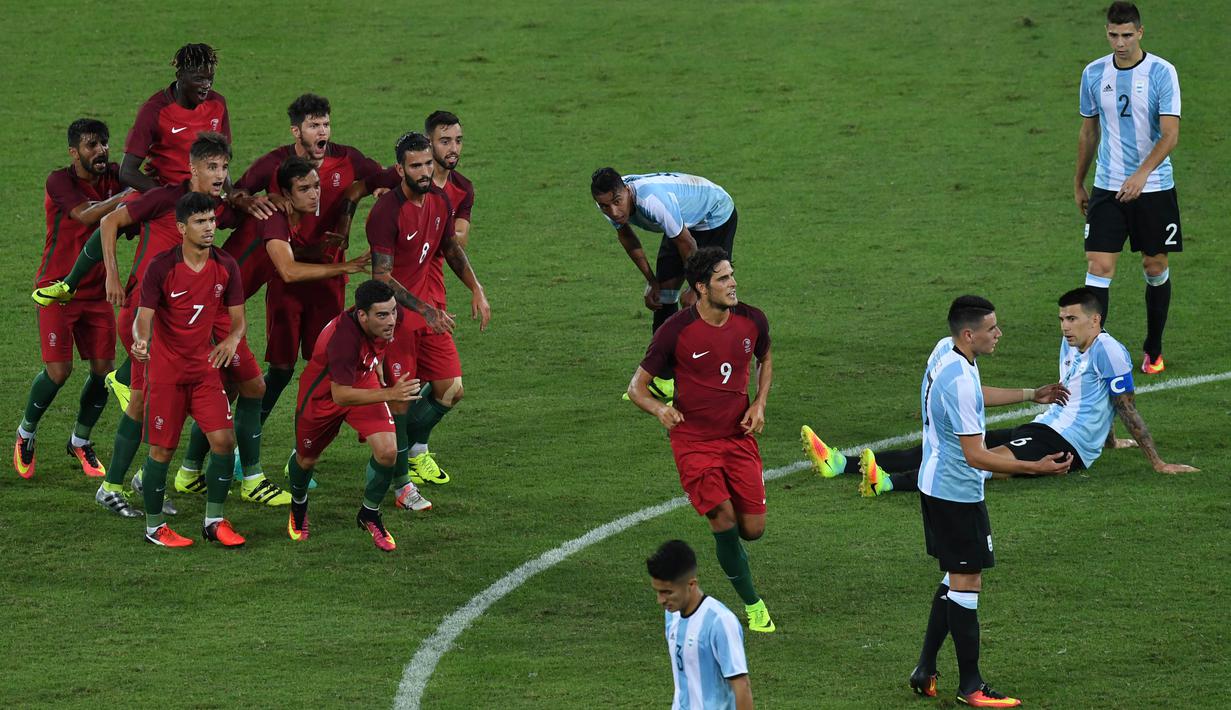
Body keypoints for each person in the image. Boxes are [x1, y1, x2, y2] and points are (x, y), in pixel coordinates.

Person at [802, 288, 1198, 496]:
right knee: (943, 446)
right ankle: (842, 463)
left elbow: (1124, 407)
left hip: (1066, 444)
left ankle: (887, 483)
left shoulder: (1109, 351)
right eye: (1062, 318)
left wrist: (1157, 462)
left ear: (1096, 320)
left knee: (983, 462)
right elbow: (1091, 399)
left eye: (1073, 319)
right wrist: (1109, 442)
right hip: (1046, 426)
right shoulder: (1071, 343)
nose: (1065, 326)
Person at [901, 296, 1073, 706]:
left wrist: (1032, 394)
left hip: (937, 482)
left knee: (955, 578)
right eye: (991, 329)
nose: (998, 334)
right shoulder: (957, 379)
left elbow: (973, 394)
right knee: (967, 582)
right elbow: (976, 455)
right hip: (954, 492)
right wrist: (1036, 467)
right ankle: (971, 686)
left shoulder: (946, 351)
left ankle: (925, 669)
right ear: (968, 334)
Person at [628, 247, 775, 634]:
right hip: (693, 441)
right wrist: (660, 410)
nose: (733, 283)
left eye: (732, 275)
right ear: (701, 288)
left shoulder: (751, 320)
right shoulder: (676, 331)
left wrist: (759, 402)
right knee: (722, 517)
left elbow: (766, 356)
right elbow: (636, 388)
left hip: (737, 438)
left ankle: (734, 559)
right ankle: (753, 604)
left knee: (753, 529)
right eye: (723, 279)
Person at [231, 94, 384, 423]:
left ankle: (304, 450)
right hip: (289, 282)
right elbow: (238, 191)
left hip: (328, 284)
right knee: (282, 369)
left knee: (328, 364)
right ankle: (246, 440)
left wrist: (350, 209)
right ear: (296, 132)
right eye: (314, 125)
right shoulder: (275, 164)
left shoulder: (346, 159)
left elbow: (379, 180)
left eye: (325, 124)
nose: (322, 131)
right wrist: (255, 201)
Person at [368, 131, 490, 487]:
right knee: (403, 398)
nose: (424, 171)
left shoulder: (439, 200)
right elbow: (382, 276)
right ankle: (401, 481)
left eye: (427, 164)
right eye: (415, 165)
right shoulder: (385, 212)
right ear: (400, 168)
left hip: (431, 313)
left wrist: (476, 288)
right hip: (396, 320)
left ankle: (403, 448)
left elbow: (451, 249)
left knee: (451, 390)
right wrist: (425, 310)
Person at [127, 192, 248, 547]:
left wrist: (231, 340)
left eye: (211, 220)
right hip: (166, 375)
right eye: (200, 221)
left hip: (204, 369)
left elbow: (239, 320)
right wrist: (141, 341)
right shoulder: (162, 267)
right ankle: (154, 528)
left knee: (224, 442)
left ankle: (214, 521)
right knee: (162, 451)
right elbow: (142, 319)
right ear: (182, 228)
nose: (209, 227)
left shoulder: (226, 265)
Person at [18, 119, 132, 486]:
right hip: (56, 289)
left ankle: (80, 440)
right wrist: (129, 197)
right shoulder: (59, 181)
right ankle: (26, 432)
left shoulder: (116, 176)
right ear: (74, 151)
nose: (100, 151)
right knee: (58, 372)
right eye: (91, 145)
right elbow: (86, 214)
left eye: (104, 144)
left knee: (103, 371)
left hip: (96, 292)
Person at [1074, 1, 1182, 375]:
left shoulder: (1161, 73)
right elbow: (1089, 132)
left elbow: (1170, 135)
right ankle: (1094, 355)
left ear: (1140, 32)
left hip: (1153, 188)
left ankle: (1154, 349)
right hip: (1107, 187)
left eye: (1126, 35)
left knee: (1155, 265)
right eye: (1112, 35)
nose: (1119, 43)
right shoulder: (1093, 73)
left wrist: (1141, 175)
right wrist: (1078, 182)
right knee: (1098, 265)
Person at [286, 279, 429, 552]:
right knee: (306, 459)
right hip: (324, 396)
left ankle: (369, 513)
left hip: (361, 381)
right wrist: (390, 393)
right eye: (383, 315)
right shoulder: (342, 340)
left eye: (393, 312)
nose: (391, 320)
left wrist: (376, 370)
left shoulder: (378, 321)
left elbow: (376, 348)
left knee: (388, 451)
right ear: (362, 315)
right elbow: (341, 395)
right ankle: (299, 505)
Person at [590, 168, 737, 333]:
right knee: (662, 295)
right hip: (680, 222)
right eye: (605, 206)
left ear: (627, 190)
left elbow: (687, 243)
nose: (613, 212)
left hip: (714, 214)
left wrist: (696, 288)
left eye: (617, 202)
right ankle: (662, 356)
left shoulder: (652, 201)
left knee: (711, 295)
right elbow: (627, 238)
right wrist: (652, 282)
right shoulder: (606, 199)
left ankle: (723, 350)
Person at [647, 540, 754, 710]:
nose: (660, 600)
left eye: (667, 592)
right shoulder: (672, 614)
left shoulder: (720, 622)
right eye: (657, 592)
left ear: (691, 584)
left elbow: (742, 685)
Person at [120, 43, 230, 191]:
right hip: (169, 199)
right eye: (199, 79)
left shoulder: (217, 104)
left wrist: (230, 191)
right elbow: (127, 172)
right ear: (180, 76)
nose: (207, 85)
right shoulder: (154, 111)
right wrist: (167, 197)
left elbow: (221, 162)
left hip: (204, 198)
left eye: (210, 78)